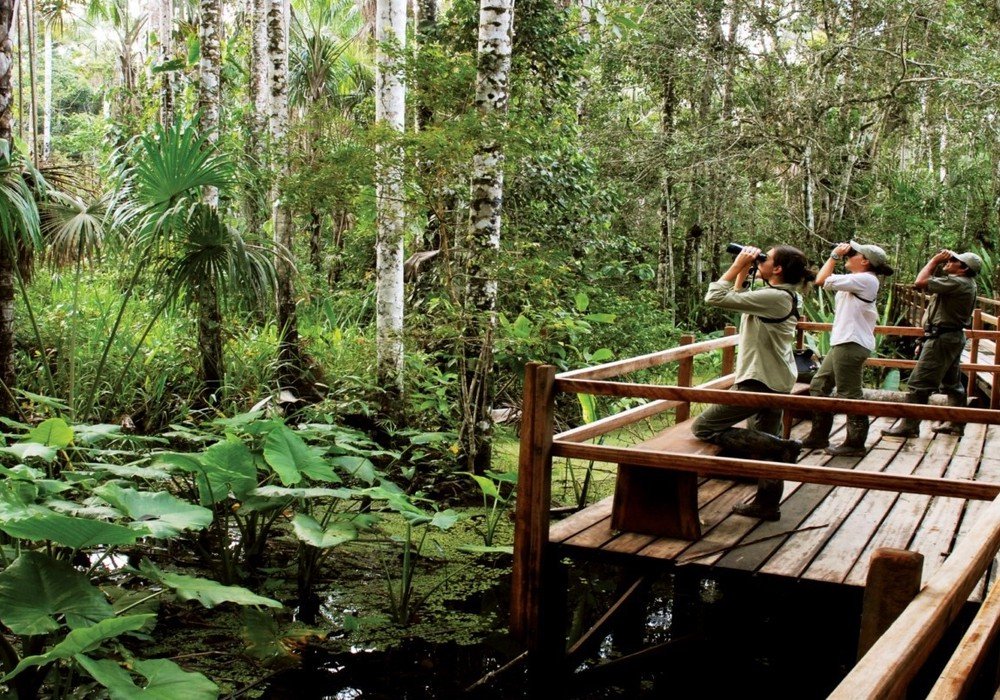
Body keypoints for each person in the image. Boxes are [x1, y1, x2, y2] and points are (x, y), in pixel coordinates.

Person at [693, 244, 816, 521]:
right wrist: (747, 270)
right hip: (777, 377)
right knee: (763, 443)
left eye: (766, 259)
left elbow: (715, 297)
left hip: (759, 380)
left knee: (704, 427)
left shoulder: (775, 297)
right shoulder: (786, 295)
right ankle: (767, 504)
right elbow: (738, 298)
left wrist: (738, 265)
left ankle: (783, 446)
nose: (761, 261)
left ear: (778, 269)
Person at [802, 241, 894, 456]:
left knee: (849, 394)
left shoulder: (866, 279)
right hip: (842, 342)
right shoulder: (857, 280)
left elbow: (821, 280)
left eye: (853, 253)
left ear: (864, 261)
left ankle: (855, 442)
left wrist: (834, 256)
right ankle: (818, 436)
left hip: (852, 344)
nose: (847, 256)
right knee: (819, 385)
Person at [882, 249, 982, 438]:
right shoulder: (963, 282)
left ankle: (909, 426)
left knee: (918, 384)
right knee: (952, 384)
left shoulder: (958, 282)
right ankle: (956, 424)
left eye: (953, 261)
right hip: (947, 337)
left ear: (963, 269)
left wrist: (934, 261)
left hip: (942, 340)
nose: (949, 262)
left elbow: (919, 282)